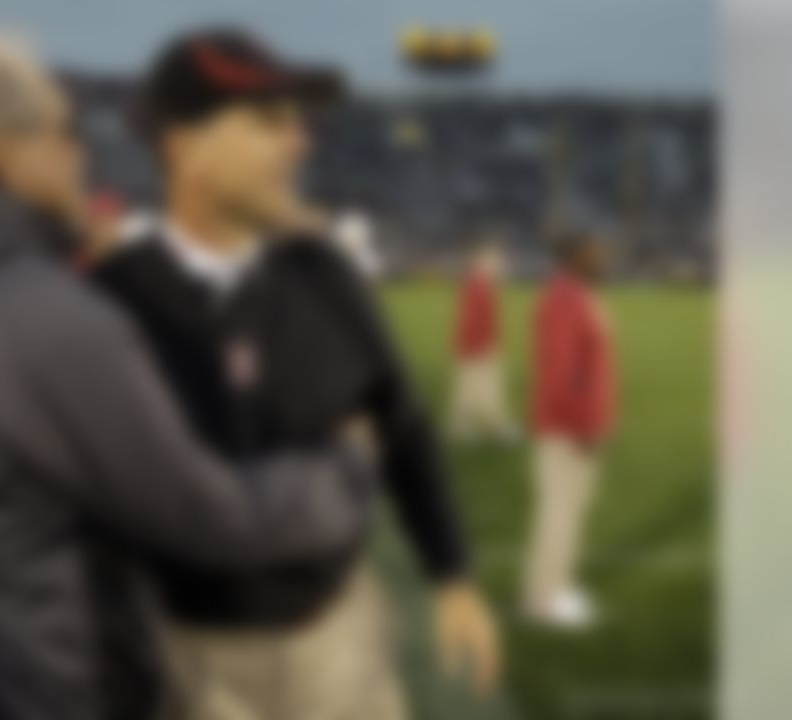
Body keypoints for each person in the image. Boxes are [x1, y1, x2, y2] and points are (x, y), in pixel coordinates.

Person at [0, 34, 373, 720]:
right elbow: (204, 515)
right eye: (64, 132)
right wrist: (340, 473)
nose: (81, 154)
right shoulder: (38, 314)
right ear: (7, 152)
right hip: (45, 679)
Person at [94, 29, 500, 720]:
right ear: (183, 146)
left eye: (297, 121)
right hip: (184, 661)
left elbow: (402, 423)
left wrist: (451, 573)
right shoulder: (109, 305)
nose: (300, 142)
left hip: (337, 644)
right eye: (267, 122)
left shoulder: (328, 277)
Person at [523, 229, 617, 629]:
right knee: (559, 513)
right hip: (567, 431)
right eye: (595, 251)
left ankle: (555, 587)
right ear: (574, 258)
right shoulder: (564, 299)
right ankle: (543, 599)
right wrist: (582, 428)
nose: (603, 257)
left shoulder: (579, 295)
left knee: (571, 512)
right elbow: (561, 375)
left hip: (579, 428)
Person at [449, 231, 519, 444]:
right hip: (479, 348)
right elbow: (473, 321)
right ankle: (497, 427)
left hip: (474, 347)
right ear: (482, 262)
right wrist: (481, 348)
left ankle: (459, 426)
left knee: (468, 389)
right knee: (488, 389)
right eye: (494, 261)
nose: (499, 265)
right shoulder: (480, 286)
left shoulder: (479, 284)